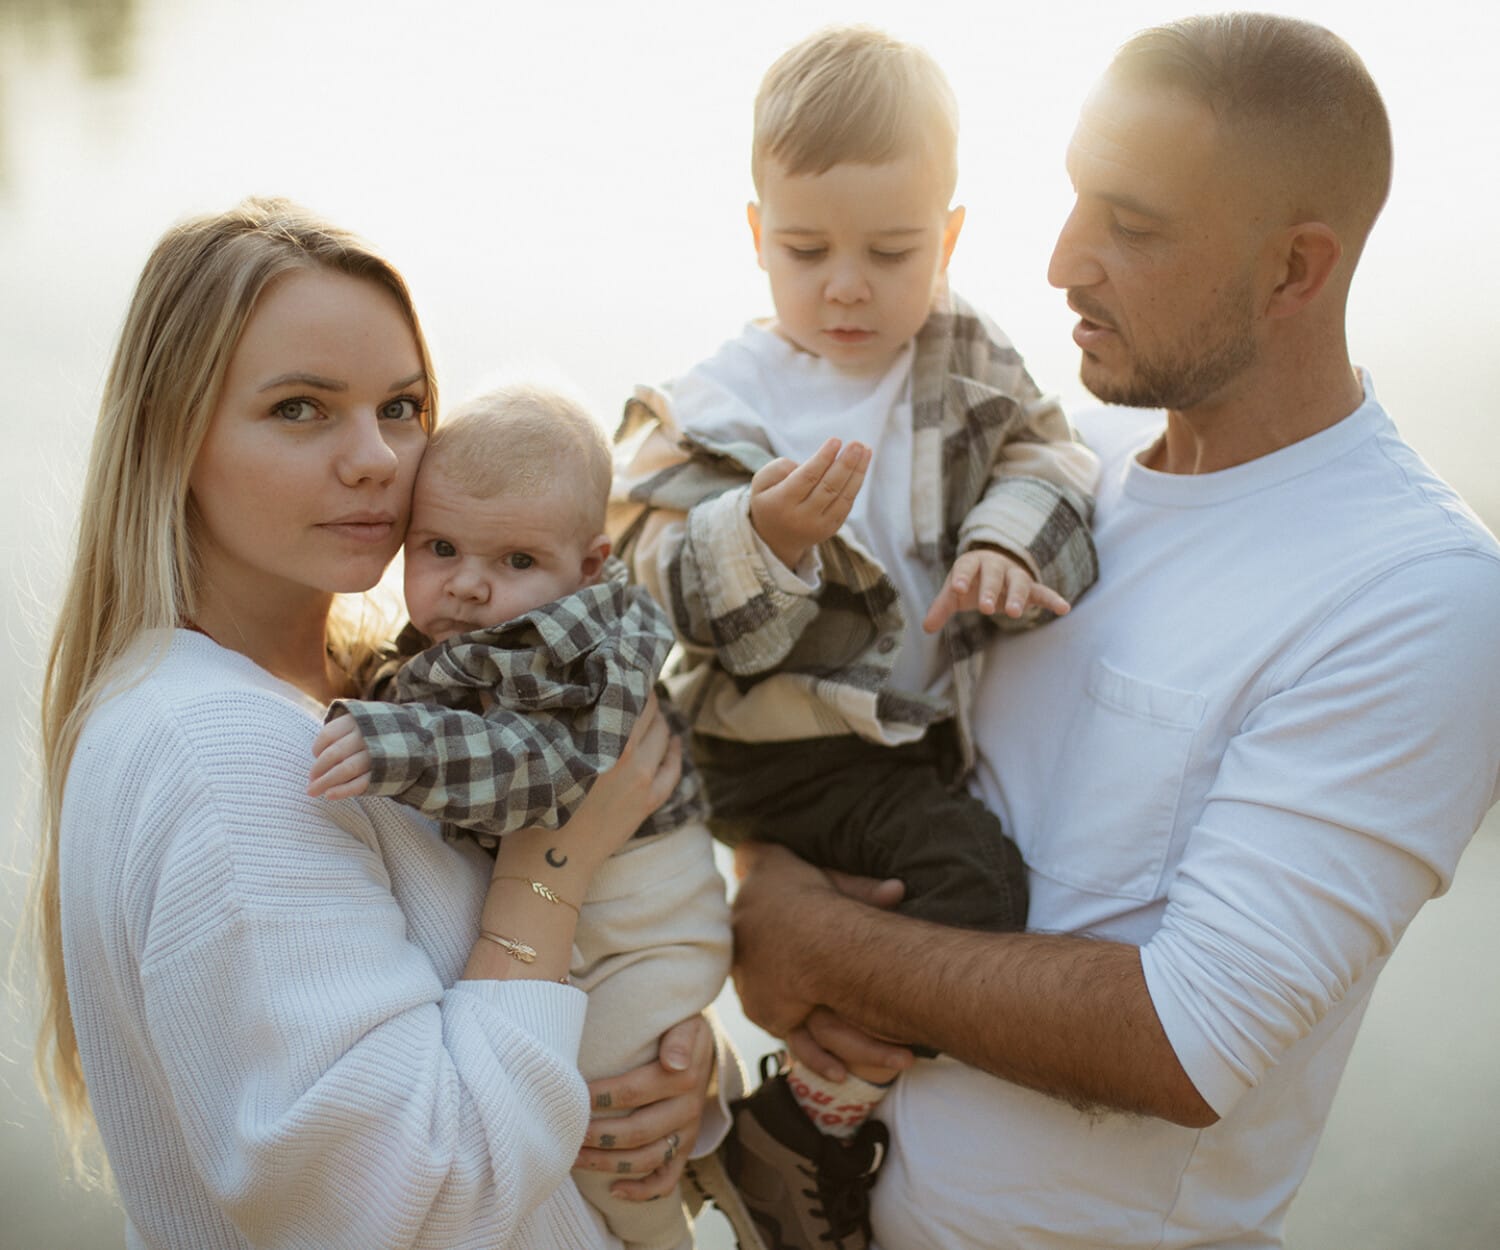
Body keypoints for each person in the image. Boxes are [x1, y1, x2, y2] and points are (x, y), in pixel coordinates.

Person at [727, 13, 1500, 1250]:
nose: (1059, 260)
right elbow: (844, 733)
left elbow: (1188, 1037)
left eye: (1131, 227)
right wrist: (757, 880)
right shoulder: (1059, 481)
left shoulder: (1416, 591)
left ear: (1296, 270)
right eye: (1078, 198)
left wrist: (812, 937)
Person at [31, 197, 723, 1250]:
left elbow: (488, 1015)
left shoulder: (375, 688)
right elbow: (416, 1194)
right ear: (173, 437)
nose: (379, 460)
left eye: (401, 405)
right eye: (302, 408)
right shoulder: (225, 751)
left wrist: (656, 1060)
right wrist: (560, 854)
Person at [611, 24, 1098, 1250]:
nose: (845, 285)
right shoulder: (716, 400)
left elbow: (1053, 452)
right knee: (976, 894)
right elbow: (643, 565)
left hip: (901, 738)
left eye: (891, 252)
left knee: (935, 892)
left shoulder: (963, 354)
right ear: (753, 235)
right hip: (779, 746)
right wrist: (756, 538)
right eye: (806, 249)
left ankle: (810, 1082)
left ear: (947, 237)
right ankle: (805, 1123)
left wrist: (1007, 538)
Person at [307, 384, 732, 1250]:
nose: (467, 585)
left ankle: (662, 1234)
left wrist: (403, 747)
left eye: (514, 562)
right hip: (600, 930)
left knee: (601, 1107)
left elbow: (549, 771)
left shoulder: (575, 654)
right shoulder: (471, 639)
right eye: (442, 547)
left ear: (589, 565)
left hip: (646, 933)